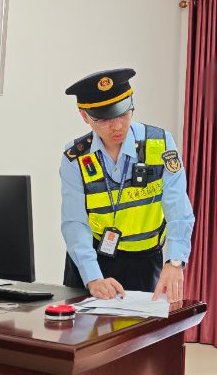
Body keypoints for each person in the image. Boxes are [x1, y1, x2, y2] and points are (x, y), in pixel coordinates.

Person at [60, 68, 194, 302]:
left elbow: (178, 208)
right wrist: (93, 278)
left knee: (142, 325)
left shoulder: (160, 144)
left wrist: (174, 261)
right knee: (83, 325)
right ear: (84, 115)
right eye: (104, 119)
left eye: (123, 114)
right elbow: (75, 222)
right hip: (92, 259)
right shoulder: (76, 158)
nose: (117, 126)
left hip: (143, 261)